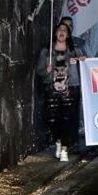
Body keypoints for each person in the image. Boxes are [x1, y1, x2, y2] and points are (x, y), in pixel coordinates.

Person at [36, 23, 85, 162]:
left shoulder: (75, 50)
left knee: (67, 119)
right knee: (53, 120)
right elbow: (39, 71)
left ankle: (64, 148)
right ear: (55, 34)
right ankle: (58, 140)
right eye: (59, 30)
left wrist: (83, 61)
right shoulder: (47, 51)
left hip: (71, 89)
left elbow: (84, 67)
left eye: (65, 30)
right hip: (52, 89)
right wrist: (46, 71)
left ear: (68, 35)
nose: (62, 32)